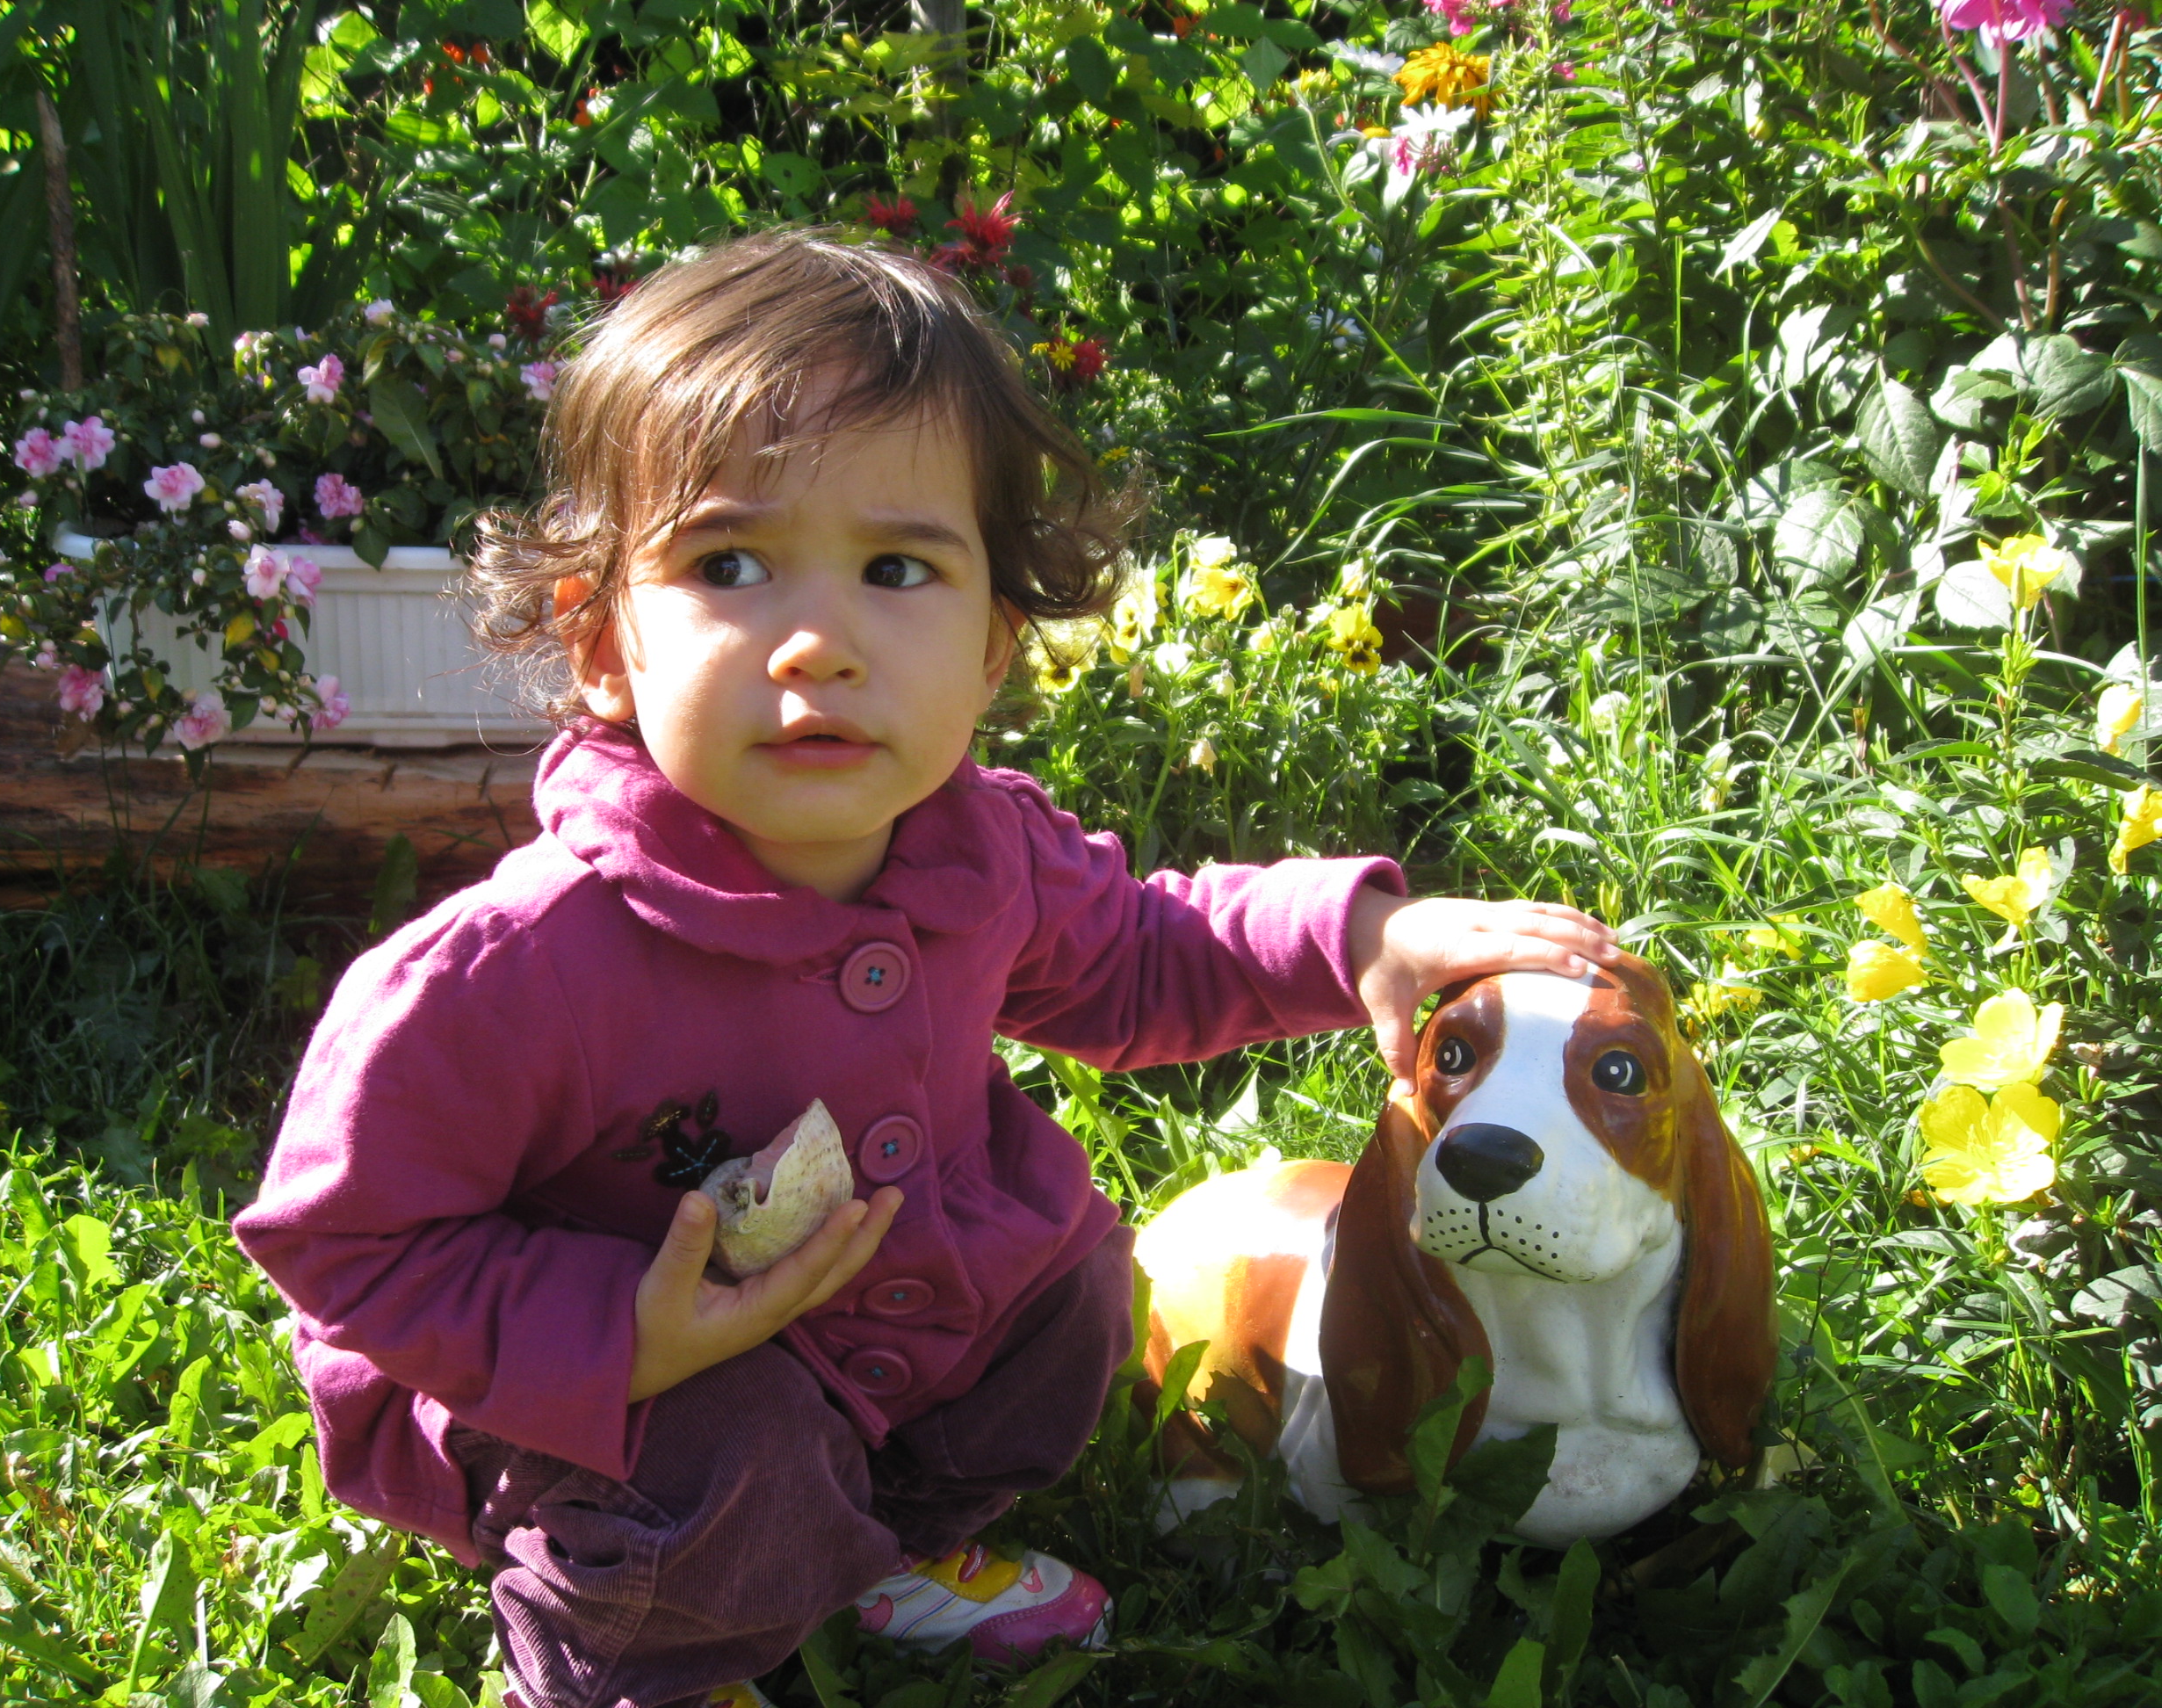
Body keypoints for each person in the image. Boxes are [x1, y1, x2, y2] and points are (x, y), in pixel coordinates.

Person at [232, 229, 1616, 1708]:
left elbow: (1144, 950)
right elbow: (347, 1234)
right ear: (601, 643)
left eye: (896, 569)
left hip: (886, 1314)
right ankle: (632, 1658)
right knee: (732, 1454)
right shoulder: (523, 967)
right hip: (619, 1392)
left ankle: (872, 1553)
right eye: (729, 565)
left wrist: (1360, 939)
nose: (818, 642)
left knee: (1072, 1295)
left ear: (993, 650)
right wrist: (621, 1333)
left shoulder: (980, 855)